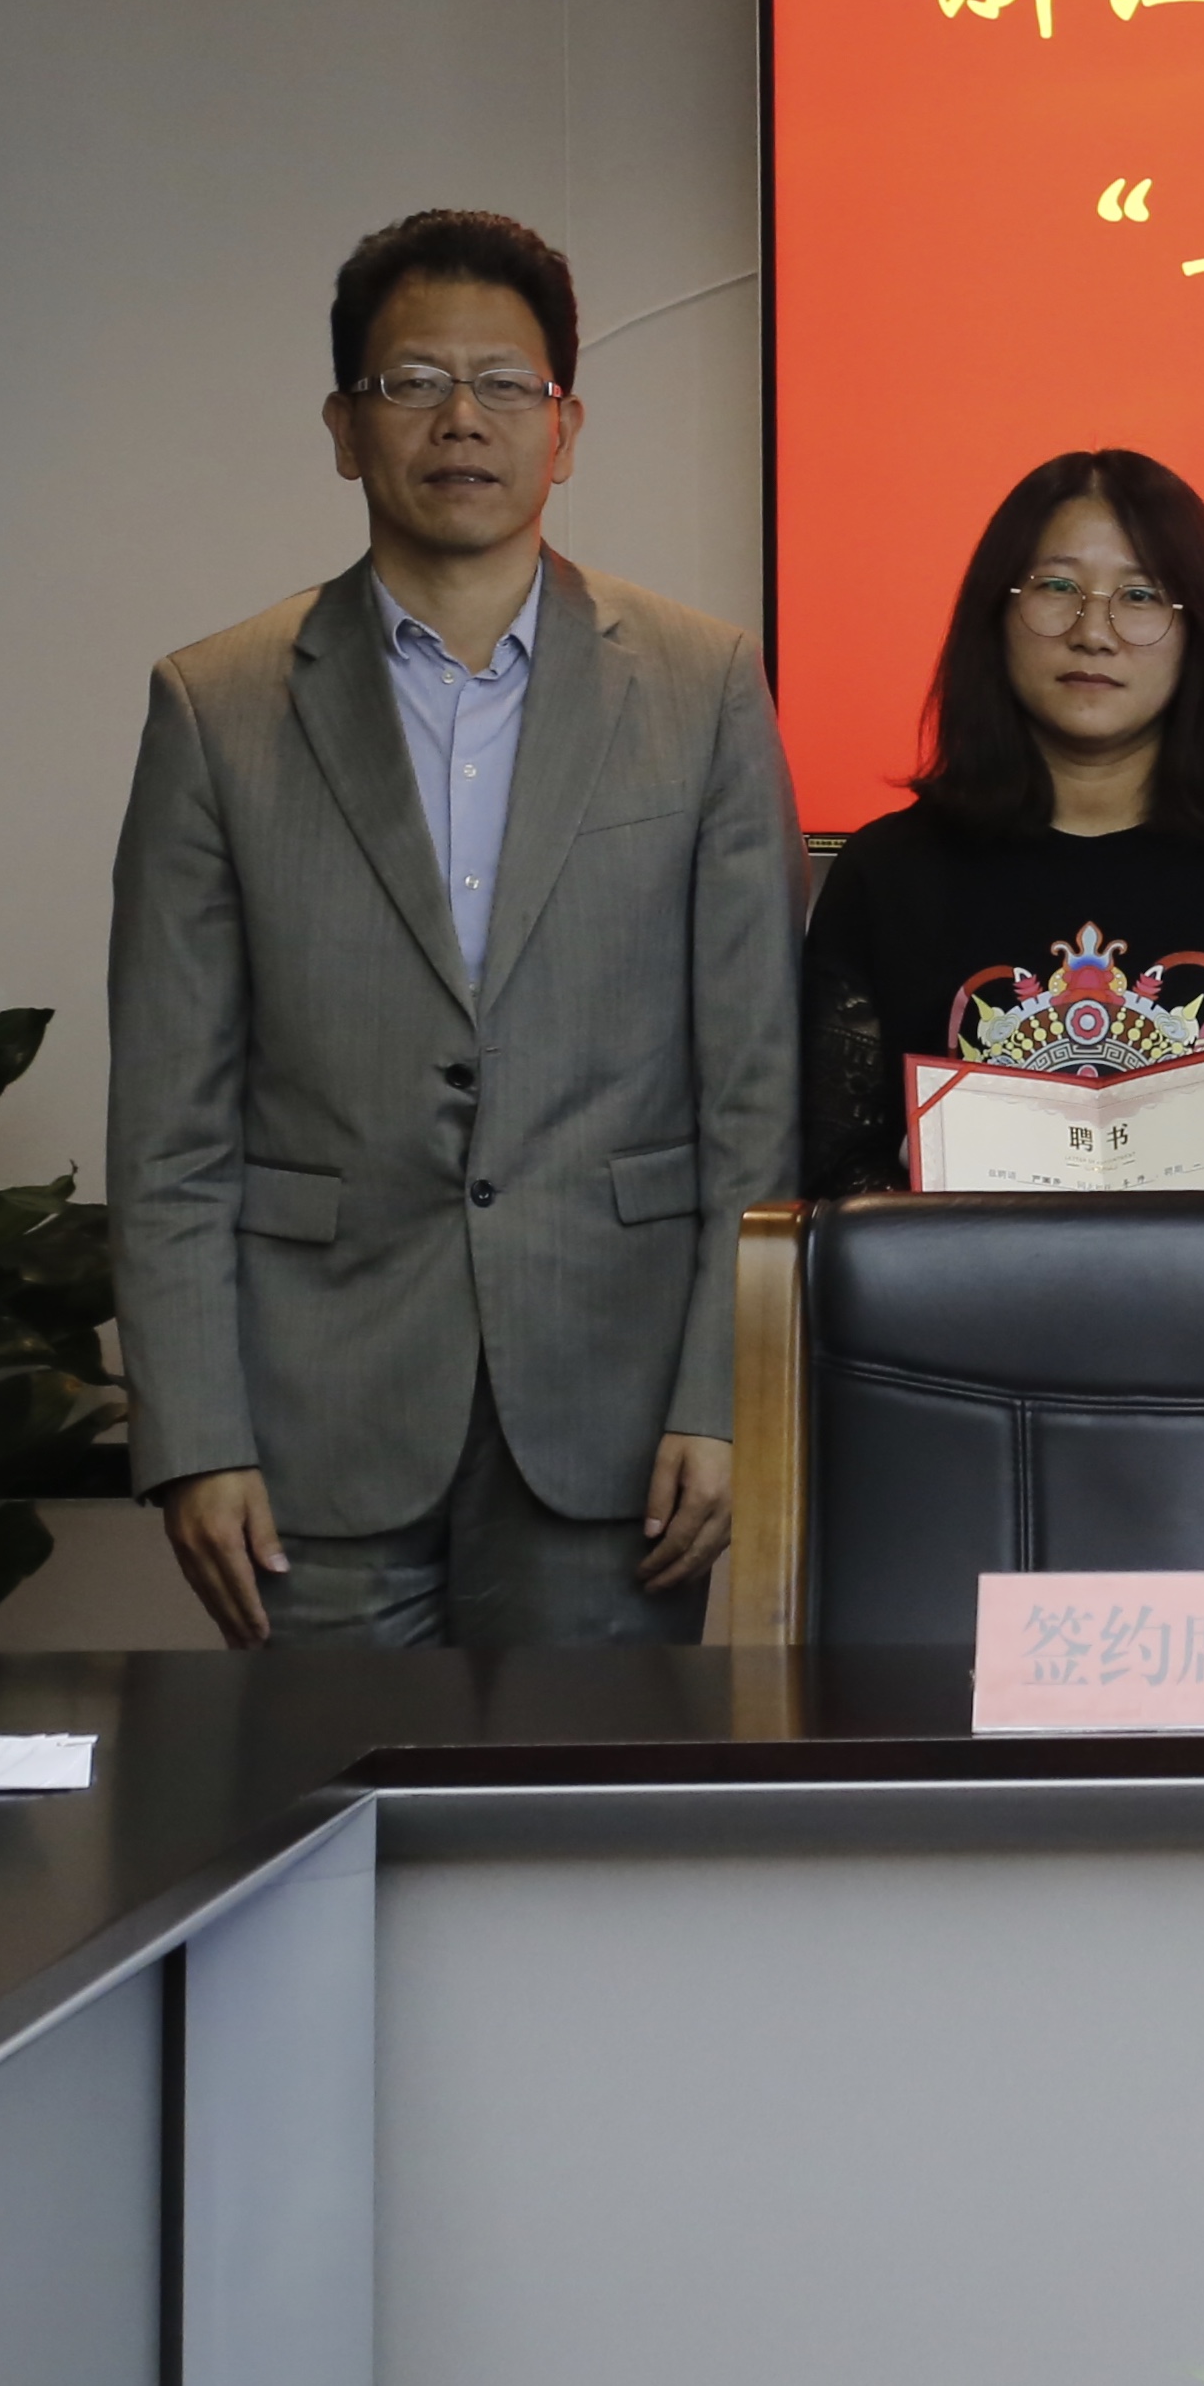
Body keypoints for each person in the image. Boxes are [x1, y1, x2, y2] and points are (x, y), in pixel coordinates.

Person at [109, 205, 798, 1651]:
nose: (461, 420)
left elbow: (751, 1089)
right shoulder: (215, 705)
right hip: (312, 1415)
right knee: (318, 1787)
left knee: (584, 1797)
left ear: (566, 426)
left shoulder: (702, 686)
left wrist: (723, 1397)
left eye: (505, 385)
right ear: (344, 427)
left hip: (618, 1411)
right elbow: (171, 1118)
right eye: (414, 381)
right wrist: (195, 1431)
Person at [798, 449, 1204, 1198]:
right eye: (1057, 586)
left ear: (1201, 630)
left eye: (1142, 595)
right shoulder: (888, 875)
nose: (1094, 631)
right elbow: (836, 1174)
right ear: (996, 612)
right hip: (971, 1275)